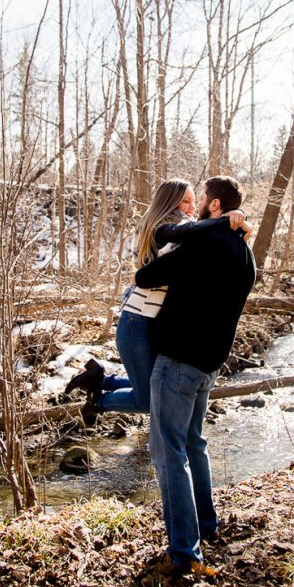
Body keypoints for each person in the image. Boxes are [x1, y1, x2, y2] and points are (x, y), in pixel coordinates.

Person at [134, 175, 256, 573]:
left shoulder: (204, 244)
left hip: (178, 361)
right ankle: (206, 525)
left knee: (169, 453)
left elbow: (146, 277)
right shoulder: (245, 252)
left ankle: (185, 553)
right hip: (210, 365)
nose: (197, 206)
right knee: (194, 444)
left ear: (215, 205)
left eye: (201, 199)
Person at [66, 179, 249, 421]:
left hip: (152, 323)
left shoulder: (188, 229)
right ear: (170, 202)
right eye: (186, 201)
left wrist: (236, 217)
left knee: (158, 386)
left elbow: (202, 232)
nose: (192, 206)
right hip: (137, 322)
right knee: (148, 401)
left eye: (195, 200)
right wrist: (228, 219)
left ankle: (100, 379)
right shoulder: (163, 230)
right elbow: (192, 231)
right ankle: (98, 402)